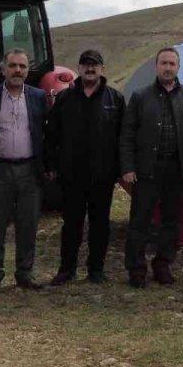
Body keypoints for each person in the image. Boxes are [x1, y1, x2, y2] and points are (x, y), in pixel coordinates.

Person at [120, 48, 183, 287]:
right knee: (139, 221)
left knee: (172, 221)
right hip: (147, 169)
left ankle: (163, 265)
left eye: (172, 63)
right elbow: (127, 135)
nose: (168, 67)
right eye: (163, 63)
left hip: (177, 170)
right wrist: (127, 166)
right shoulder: (140, 96)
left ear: (178, 67)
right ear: (156, 67)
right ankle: (136, 269)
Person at [45, 50, 125, 285]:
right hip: (71, 174)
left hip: (103, 174)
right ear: (78, 68)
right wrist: (51, 164)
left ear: (103, 68)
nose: (90, 69)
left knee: (100, 224)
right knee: (71, 224)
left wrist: (120, 169)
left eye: (95, 65)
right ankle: (66, 269)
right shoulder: (65, 98)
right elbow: (52, 136)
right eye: (86, 65)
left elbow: (123, 138)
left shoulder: (115, 100)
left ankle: (96, 269)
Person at [0, 49, 48, 295]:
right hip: (0, 169)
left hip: (30, 169)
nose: (17, 70)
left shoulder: (38, 97)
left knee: (28, 225)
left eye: (22, 66)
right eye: (13, 66)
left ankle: (25, 273)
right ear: (3, 69)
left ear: (28, 70)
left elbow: (45, 134)